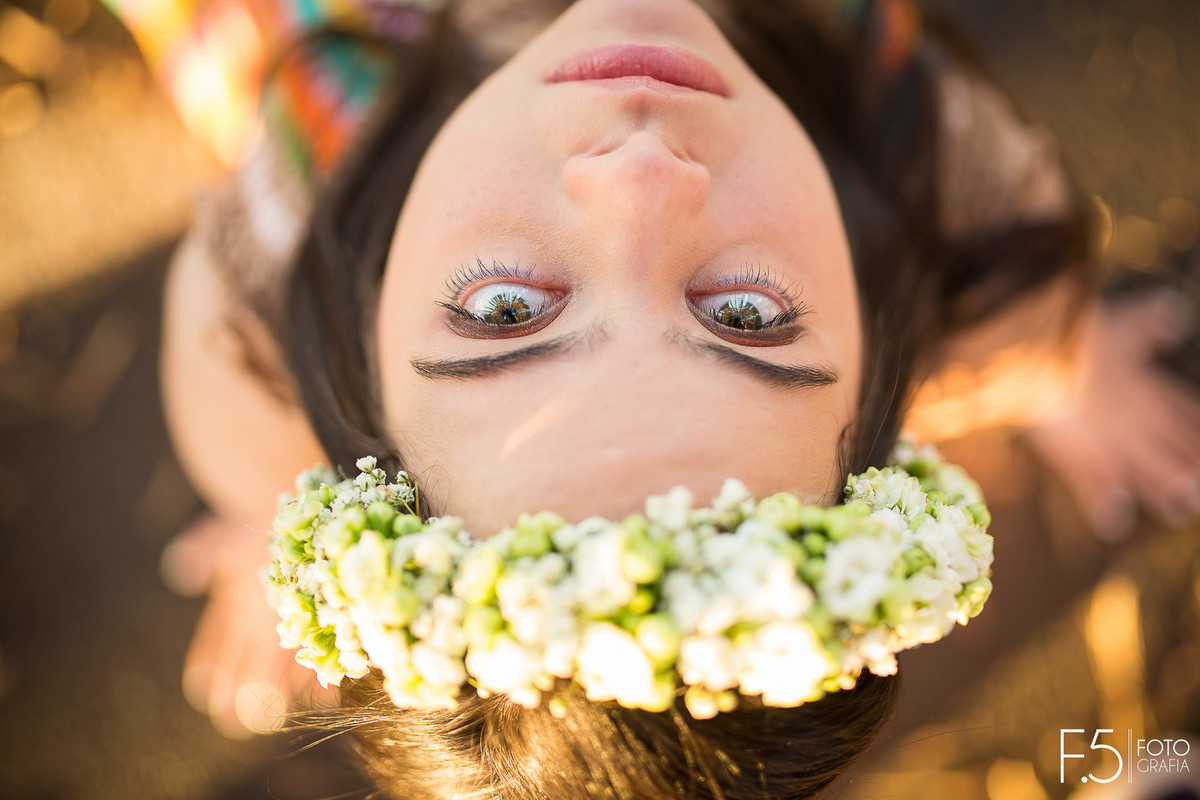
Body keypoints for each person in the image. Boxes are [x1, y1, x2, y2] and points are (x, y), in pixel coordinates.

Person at [113, 0, 1200, 793]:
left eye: (499, 311)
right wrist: (1059, 363)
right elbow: (999, 312)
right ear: (891, 362)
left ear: (349, 357)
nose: (639, 180)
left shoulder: (299, 217)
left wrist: (276, 528)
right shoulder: (905, 144)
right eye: (743, 316)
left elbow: (242, 404)